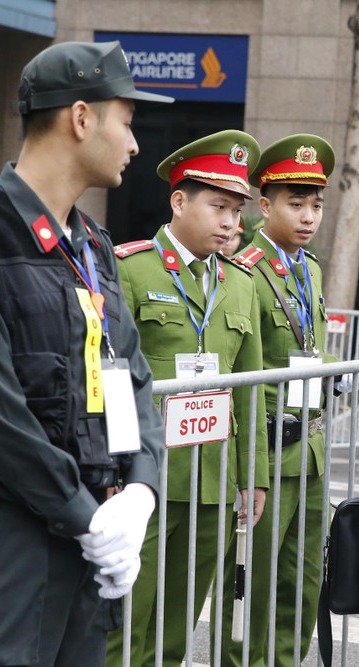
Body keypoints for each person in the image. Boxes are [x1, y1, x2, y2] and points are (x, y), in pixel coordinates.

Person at [0, 40, 173, 666]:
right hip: (0, 553)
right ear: (82, 119)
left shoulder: (92, 246)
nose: (134, 144)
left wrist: (139, 490)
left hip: (84, 553)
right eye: (127, 122)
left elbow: (131, 373)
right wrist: (89, 518)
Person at [106, 129, 269, 667]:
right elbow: (109, 378)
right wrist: (110, 471)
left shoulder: (241, 282)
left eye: (236, 210)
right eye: (218, 207)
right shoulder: (130, 269)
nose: (231, 223)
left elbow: (250, 387)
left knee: (178, 625)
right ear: (179, 201)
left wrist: (255, 475)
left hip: (214, 480)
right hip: (145, 478)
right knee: (125, 620)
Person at [219, 133, 338, 667]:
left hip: (309, 449)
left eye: (315, 204)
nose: (309, 216)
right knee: (251, 583)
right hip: (268, 449)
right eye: (296, 203)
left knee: (303, 583)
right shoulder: (243, 272)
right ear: (263, 206)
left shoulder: (309, 268)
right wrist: (253, 470)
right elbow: (246, 376)